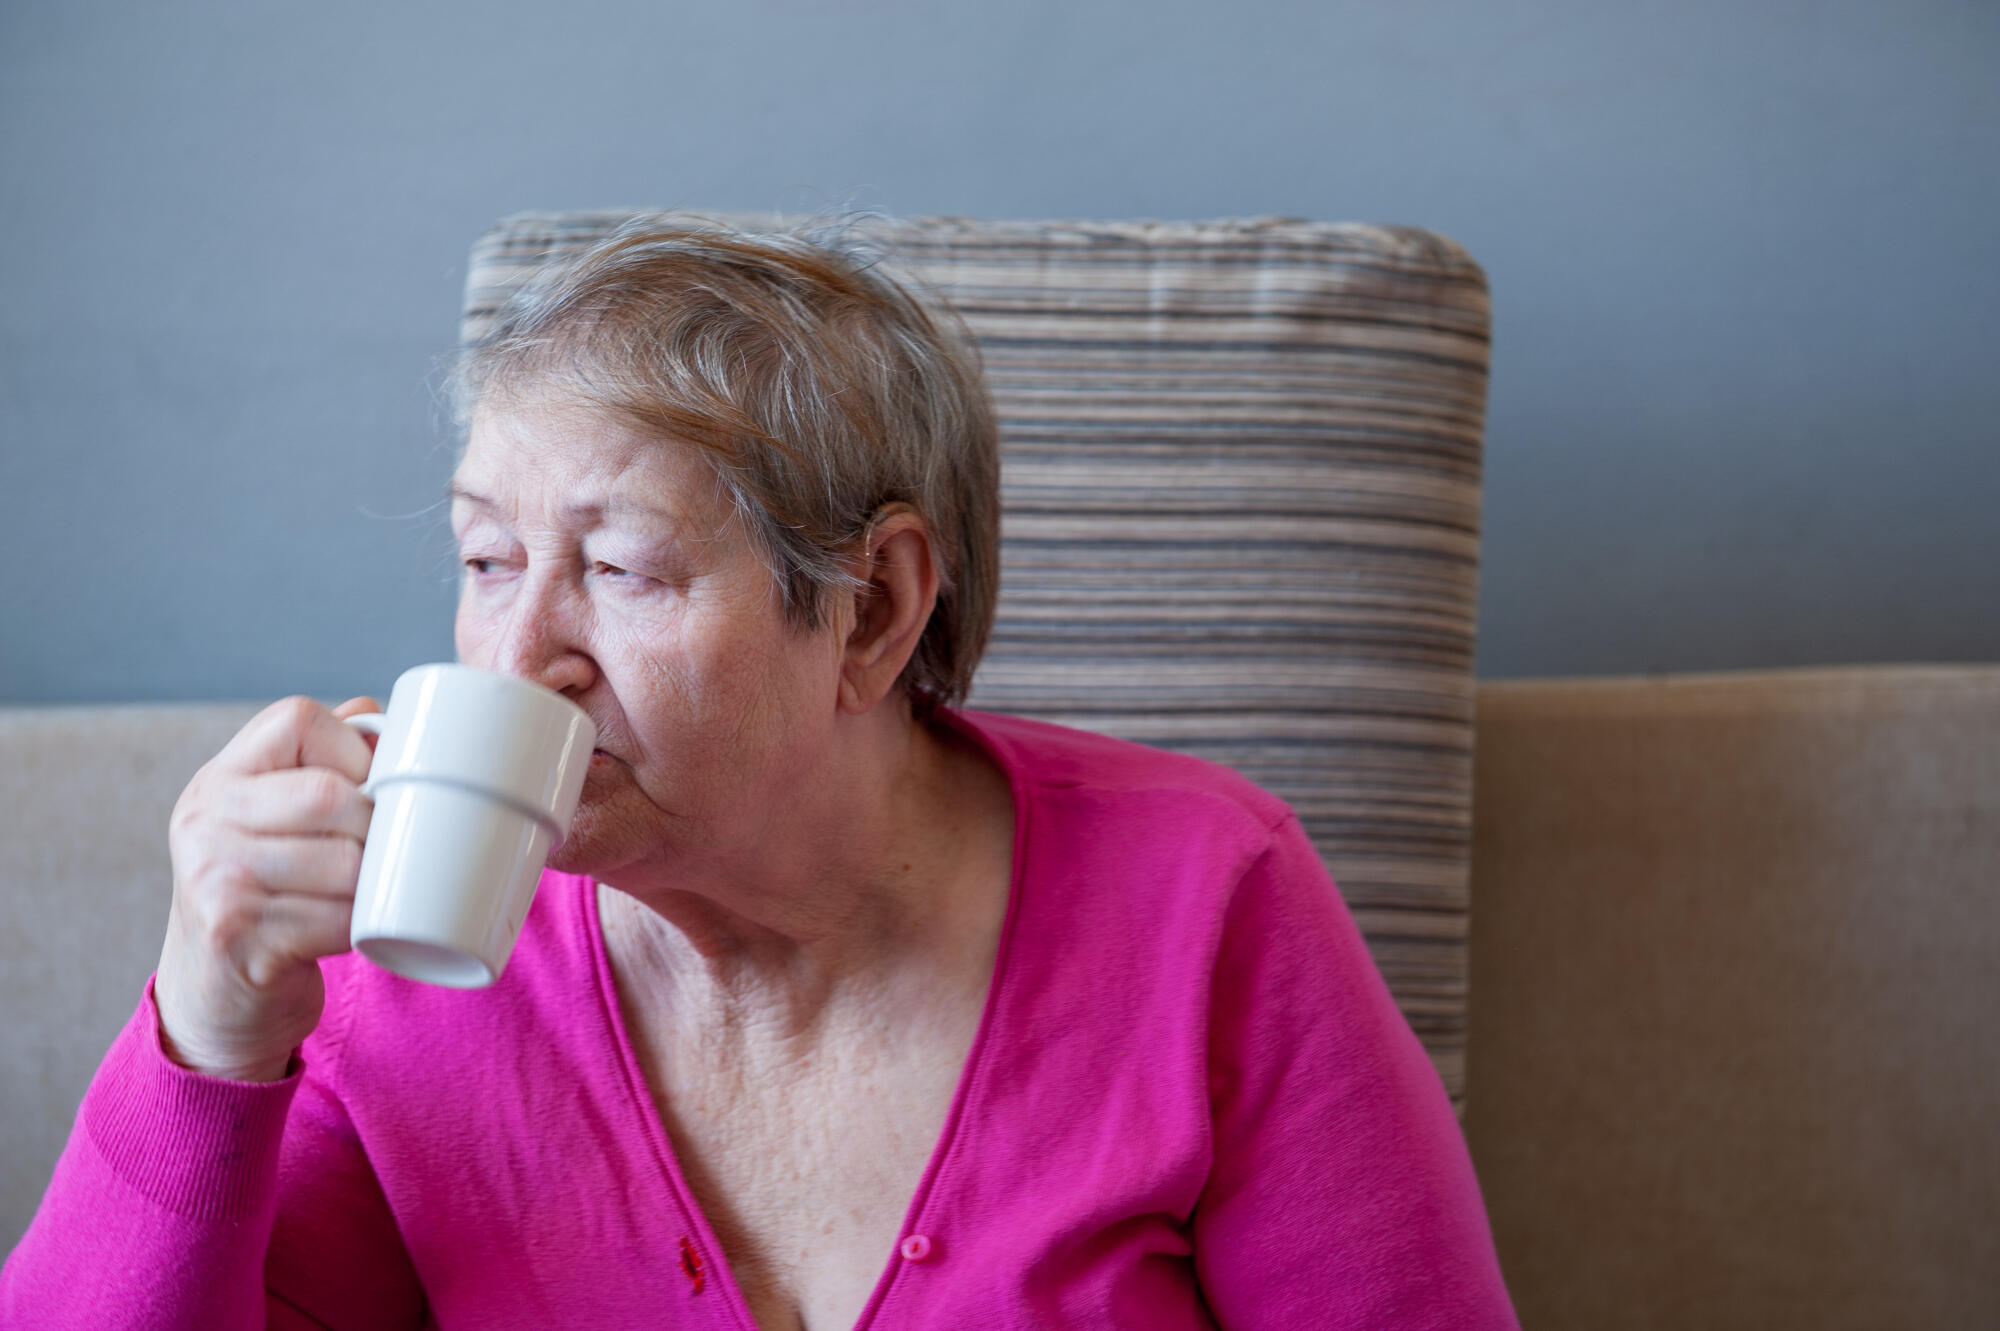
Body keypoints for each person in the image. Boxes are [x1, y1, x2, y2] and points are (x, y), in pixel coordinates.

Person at [1, 218, 1518, 1330]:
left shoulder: (1206, 902)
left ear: (872, 610)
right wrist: (209, 1027)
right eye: (486, 557)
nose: (517, 659)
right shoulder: (394, 970)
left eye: (623, 568)